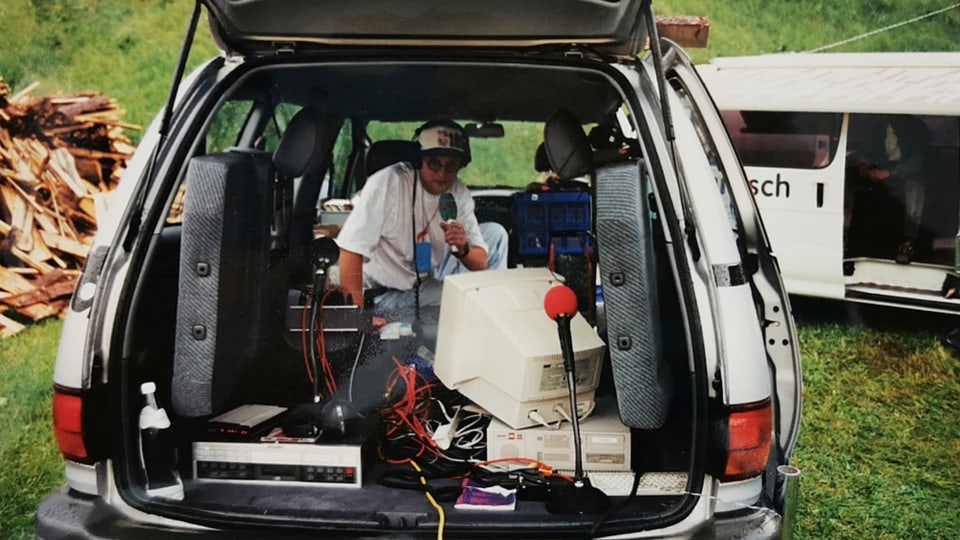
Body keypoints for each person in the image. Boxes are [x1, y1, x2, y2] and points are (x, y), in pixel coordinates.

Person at [336, 119, 508, 320]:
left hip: (429, 276)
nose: (442, 173)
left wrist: (464, 249)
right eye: (434, 163)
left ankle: (494, 315)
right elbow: (350, 250)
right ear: (418, 160)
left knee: (495, 234)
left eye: (451, 166)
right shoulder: (388, 184)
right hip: (387, 294)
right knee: (461, 295)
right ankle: (485, 313)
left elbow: (481, 262)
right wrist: (357, 318)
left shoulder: (457, 191)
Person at [858, 115, 931, 264]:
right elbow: (866, 151)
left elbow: (917, 162)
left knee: (914, 191)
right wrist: (865, 168)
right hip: (882, 171)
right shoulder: (879, 128)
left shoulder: (916, 128)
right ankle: (861, 240)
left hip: (908, 173)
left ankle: (908, 241)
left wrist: (889, 173)